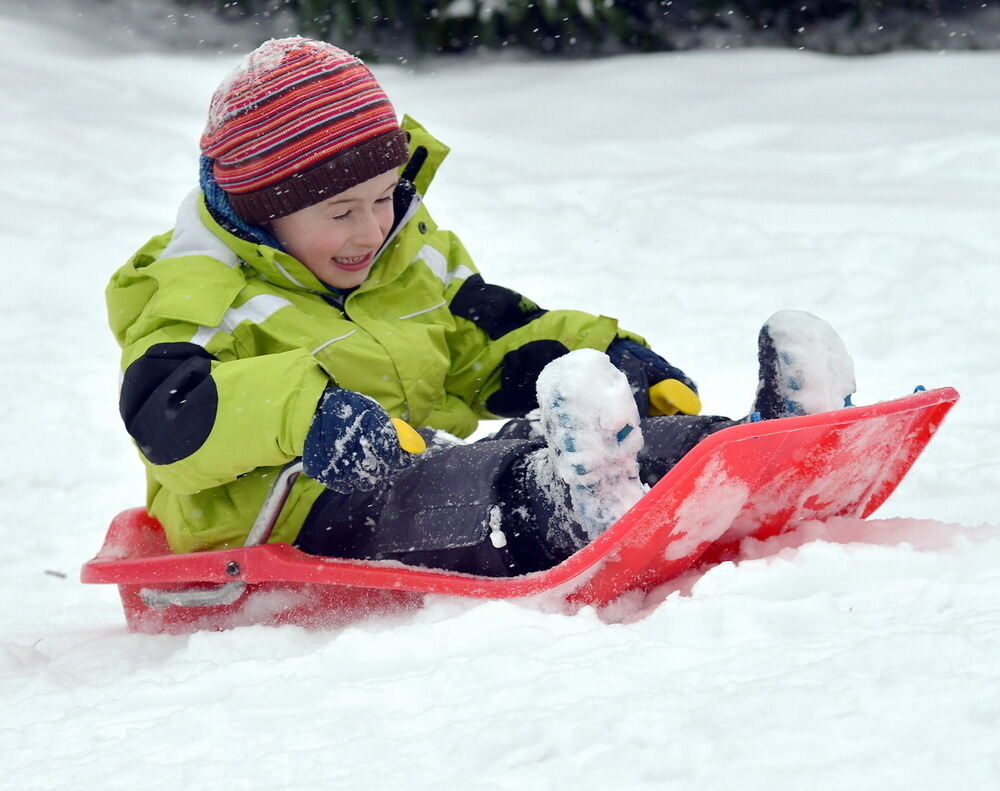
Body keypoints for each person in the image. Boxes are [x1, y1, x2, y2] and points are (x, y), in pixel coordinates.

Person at [107, 37, 855, 577]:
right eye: (340, 212)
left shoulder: (403, 253)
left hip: (422, 456)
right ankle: (575, 508)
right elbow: (167, 415)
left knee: (535, 441)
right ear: (261, 213)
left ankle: (751, 454)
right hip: (296, 512)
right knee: (492, 490)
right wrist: (304, 415)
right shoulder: (195, 286)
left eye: (381, 199)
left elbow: (494, 338)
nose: (370, 229)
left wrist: (605, 360)